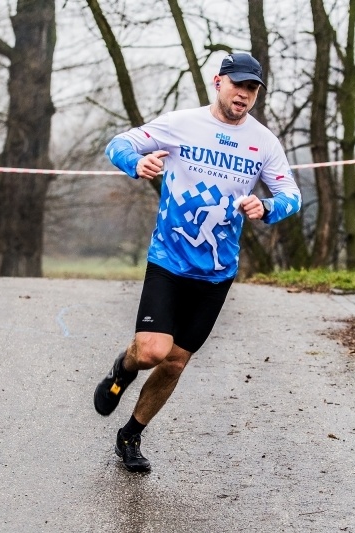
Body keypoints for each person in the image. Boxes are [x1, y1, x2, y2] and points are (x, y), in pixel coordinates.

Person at [95, 53, 302, 473]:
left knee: (175, 361)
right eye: (238, 84)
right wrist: (137, 163)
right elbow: (118, 144)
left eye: (253, 88)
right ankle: (125, 364)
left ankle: (131, 434)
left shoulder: (264, 142)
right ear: (218, 82)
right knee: (153, 351)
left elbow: (291, 195)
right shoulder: (182, 123)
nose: (244, 93)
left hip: (217, 271)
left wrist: (267, 206)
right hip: (169, 260)